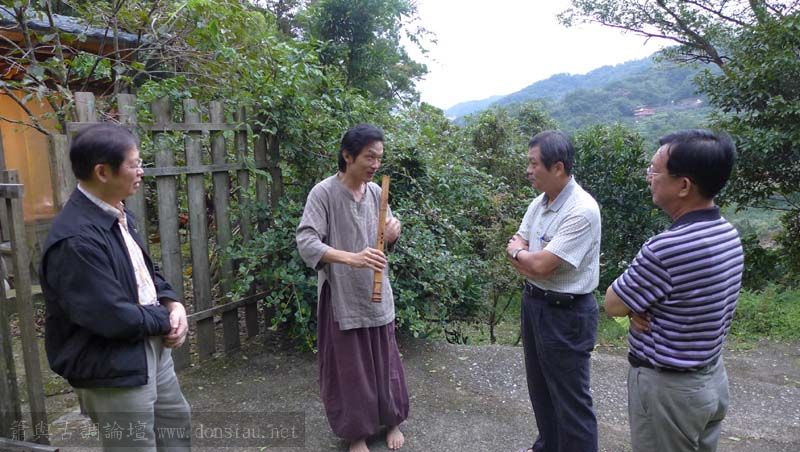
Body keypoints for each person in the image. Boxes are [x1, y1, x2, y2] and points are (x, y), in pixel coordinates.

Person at [40, 123, 191, 451]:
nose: (141, 172)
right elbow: (112, 316)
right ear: (102, 172)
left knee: (175, 430)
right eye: (134, 164)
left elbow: (144, 272)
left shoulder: (115, 212)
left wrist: (172, 302)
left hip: (149, 348)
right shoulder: (75, 240)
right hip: (113, 366)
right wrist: (166, 320)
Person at [604, 129, 743, 452]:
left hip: (669, 391)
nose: (649, 178)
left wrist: (635, 309)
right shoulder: (727, 233)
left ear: (683, 186)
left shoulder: (667, 248)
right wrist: (638, 309)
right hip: (710, 378)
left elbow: (613, 304)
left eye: (655, 170)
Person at [296, 124, 408, 452]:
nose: (376, 164)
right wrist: (351, 258)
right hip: (342, 295)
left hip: (377, 292)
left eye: (379, 158)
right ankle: (356, 435)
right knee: (350, 368)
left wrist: (393, 233)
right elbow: (306, 241)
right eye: (369, 157)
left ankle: (392, 421)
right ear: (348, 156)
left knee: (386, 361)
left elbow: (386, 237)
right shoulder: (323, 193)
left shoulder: (376, 193)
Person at [507, 130, 601, 452]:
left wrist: (522, 257)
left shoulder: (581, 209)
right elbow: (519, 244)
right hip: (534, 304)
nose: (529, 170)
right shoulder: (540, 202)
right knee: (541, 390)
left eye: (534, 164)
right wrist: (526, 258)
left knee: (571, 401)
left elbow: (541, 265)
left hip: (566, 313)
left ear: (558, 167)